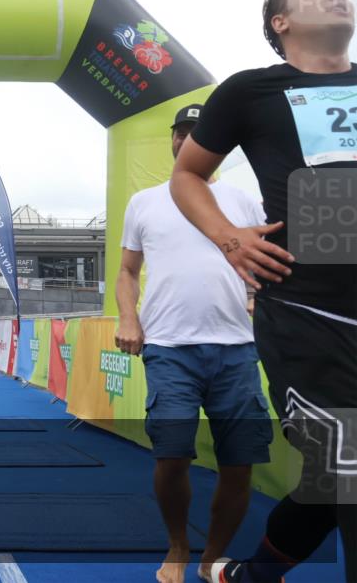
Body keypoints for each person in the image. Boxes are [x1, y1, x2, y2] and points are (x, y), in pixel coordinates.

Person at [168, 0, 356, 583]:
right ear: (281, 22)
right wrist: (230, 238)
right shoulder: (251, 91)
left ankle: (251, 576)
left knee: (334, 483)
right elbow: (186, 175)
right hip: (310, 313)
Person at [116, 104, 272, 583]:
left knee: (240, 463)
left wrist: (255, 296)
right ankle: (179, 547)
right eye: (179, 133)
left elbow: (264, 263)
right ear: (172, 140)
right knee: (172, 455)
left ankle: (212, 559)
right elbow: (127, 271)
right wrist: (128, 318)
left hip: (237, 349)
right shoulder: (144, 202)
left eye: (197, 132)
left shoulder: (243, 201)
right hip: (168, 347)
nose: (186, 140)